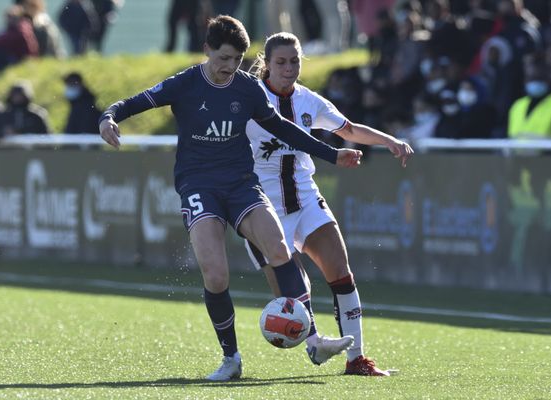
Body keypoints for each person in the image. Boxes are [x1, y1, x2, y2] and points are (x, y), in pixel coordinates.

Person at [98, 15, 363, 381]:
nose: (228, 68)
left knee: (279, 250)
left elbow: (283, 128)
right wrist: (109, 117)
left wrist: (331, 154)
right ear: (207, 50)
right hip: (199, 188)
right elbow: (136, 102)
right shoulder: (186, 83)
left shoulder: (246, 88)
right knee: (217, 275)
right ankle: (231, 359)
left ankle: (314, 340)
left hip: (241, 185)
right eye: (222, 59)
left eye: (236, 60)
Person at [245, 32, 413, 376]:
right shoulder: (247, 98)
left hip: (306, 199)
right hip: (261, 207)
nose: (289, 68)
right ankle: (314, 343)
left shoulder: (309, 101)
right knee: (296, 290)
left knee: (341, 272)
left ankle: (357, 360)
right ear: (266, 62)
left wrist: (389, 141)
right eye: (281, 62)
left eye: (294, 61)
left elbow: (348, 129)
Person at [0, 80, 50, 145]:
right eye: (15, 95)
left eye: (20, 95)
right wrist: (3, 133)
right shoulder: (1, 116)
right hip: (7, 152)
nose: (18, 98)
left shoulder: (36, 115)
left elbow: (46, 136)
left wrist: (23, 132)